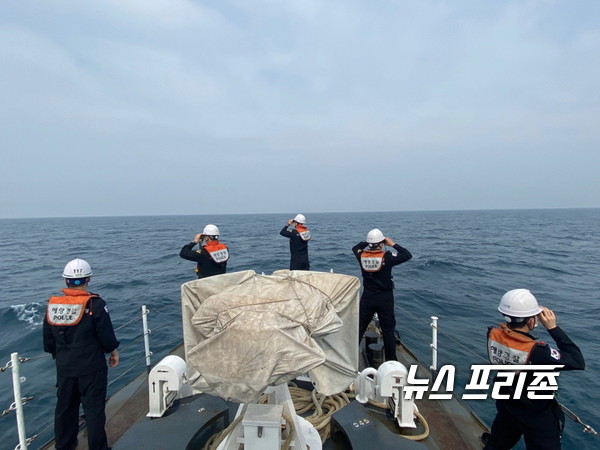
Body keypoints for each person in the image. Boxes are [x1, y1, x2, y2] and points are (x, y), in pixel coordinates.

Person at [483, 289, 585, 450]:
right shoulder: (538, 352)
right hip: (535, 414)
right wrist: (553, 328)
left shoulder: (492, 334)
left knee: (496, 444)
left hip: (507, 405)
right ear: (531, 321)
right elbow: (577, 361)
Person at [43, 258, 120, 450]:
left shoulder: (53, 305)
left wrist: (60, 355)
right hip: (92, 368)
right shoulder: (95, 304)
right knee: (93, 410)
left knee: (65, 409)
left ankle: (64, 445)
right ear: (89, 279)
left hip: (65, 368)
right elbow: (106, 336)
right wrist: (113, 351)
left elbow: (48, 342)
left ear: (65, 281)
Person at [352, 229, 412, 361]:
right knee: (388, 331)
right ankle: (391, 361)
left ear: (369, 244)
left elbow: (355, 247)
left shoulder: (361, 255)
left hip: (367, 297)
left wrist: (368, 243)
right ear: (381, 243)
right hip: (385, 299)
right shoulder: (387, 257)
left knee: (360, 328)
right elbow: (407, 255)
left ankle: (349, 357)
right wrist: (392, 244)